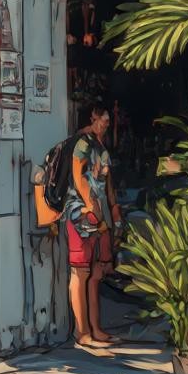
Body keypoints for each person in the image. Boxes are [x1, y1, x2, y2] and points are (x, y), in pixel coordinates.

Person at [64, 101, 121, 350]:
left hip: (100, 218)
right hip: (81, 215)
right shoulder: (83, 143)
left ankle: (95, 327)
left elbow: (108, 185)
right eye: (104, 120)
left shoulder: (101, 146)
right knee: (81, 272)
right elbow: (78, 175)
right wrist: (91, 207)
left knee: (97, 273)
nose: (106, 125)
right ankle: (82, 331)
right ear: (94, 117)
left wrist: (114, 215)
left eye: (109, 122)